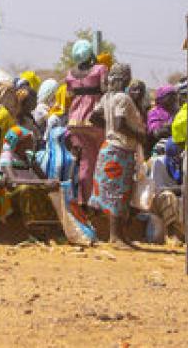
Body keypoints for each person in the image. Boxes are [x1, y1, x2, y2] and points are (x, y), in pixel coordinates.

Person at [88, 62, 147, 246]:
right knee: (117, 194)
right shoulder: (122, 98)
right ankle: (115, 237)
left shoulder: (107, 97)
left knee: (121, 193)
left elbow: (93, 116)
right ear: (126, 79)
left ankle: (121, 235)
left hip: (110, 148)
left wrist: (108, 127)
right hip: (119, 151)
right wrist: (138, 135)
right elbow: (121, 123)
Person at [63, 39, 108, 204]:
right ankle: (95, 201)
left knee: (84, 161)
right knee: (98, 161)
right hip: (94, 121)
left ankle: (82, 198)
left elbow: (69, 95)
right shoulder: (100, 69)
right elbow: (105, 89)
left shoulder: (70, 74)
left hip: (75, 121)